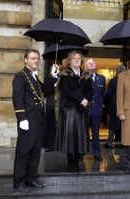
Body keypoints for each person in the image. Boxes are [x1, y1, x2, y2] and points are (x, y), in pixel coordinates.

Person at [12, 49, 58, 193]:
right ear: (26, 60)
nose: (36, 61)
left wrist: (53, 76)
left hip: (37, 120)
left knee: (35, 151)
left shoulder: (34, 77)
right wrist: (22, 118)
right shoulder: (20, 76)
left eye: (37, 59)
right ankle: (18, 181)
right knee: (23, 151)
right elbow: (17, 99)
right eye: (33, 58)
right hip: (27, 120)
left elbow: (45, 89)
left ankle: (30, 178)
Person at [53, 50, 93, 172]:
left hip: (82, 111)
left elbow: (91, 90)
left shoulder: (86, 75)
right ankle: (70, 162)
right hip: (69, 110)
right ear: (69, 61)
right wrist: (81, 99)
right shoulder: (64, 75)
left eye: (78, 59)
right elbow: (65, 91)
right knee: (70, 138)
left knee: (79, 138)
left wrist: (86, 99)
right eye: (74, 58)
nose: (77, 60)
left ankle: (77, 162)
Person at [84, 58, 106, 161]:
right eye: (89, 63)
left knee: (96, 133)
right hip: (85, 110)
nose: (91, 64)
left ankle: (97, 153)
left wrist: (100, 104)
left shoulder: (101, 78)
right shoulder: (82, 77)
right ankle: (81, 153)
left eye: (93, 63)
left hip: (96, 110)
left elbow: (103, 95)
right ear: (85, 67)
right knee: (83, 133)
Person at [105, 65, 126, 149]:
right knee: (124, 125)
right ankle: (124, 142)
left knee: (112, 126)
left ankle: (109, 142)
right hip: (125, 106)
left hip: (115, 105)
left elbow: (109, 93)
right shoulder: (127, 81)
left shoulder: (113, 81)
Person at [43, 64, 61, 152]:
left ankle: (58, 144)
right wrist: (53, 78)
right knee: (49, 125)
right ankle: (49, 145)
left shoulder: (61, 79)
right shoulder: (48, 79)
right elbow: (46, 91)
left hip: (59, 105)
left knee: (59, 125)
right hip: (50, 104)